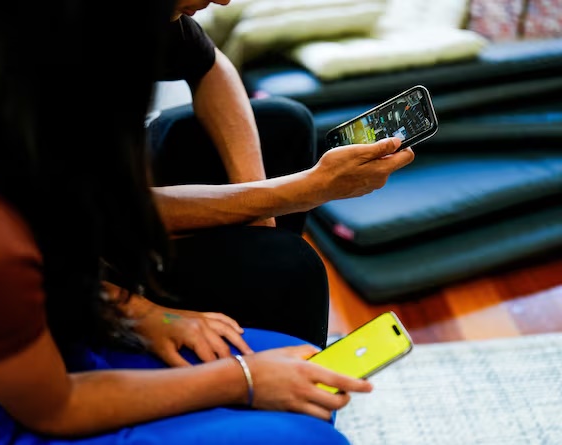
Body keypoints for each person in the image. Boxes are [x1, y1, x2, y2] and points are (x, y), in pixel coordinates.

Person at [0, 0, 410, 443]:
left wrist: (139, 312)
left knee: (294, 363)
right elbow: (57, 407)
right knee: (305, 430)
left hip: (52, 329)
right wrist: (245, 380)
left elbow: (55, 240)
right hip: (2, 414)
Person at [139, 0, 416, 351]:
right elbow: (102, 215)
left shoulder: (151, 13)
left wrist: (259, 205)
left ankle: (261, 314)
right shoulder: (66, 36)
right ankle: (265, 361)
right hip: (82, 252)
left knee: (285, 124)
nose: (224, 1)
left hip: (113, 185)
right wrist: (301, 191)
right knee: (293, 269)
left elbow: (211, 66)